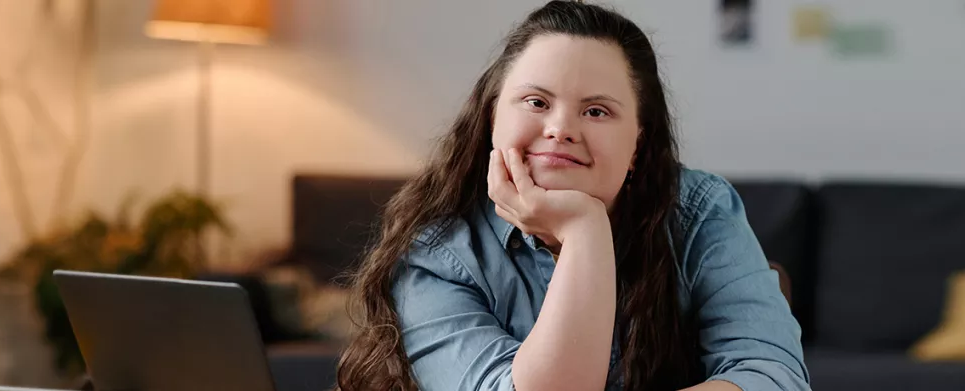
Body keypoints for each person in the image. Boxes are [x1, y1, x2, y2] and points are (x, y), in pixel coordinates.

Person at [335, 1, 809, 390]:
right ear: (491, 117)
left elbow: (773, 375)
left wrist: (583, 228)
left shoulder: (699, 210)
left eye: (597, 111)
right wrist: (584, 229)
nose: (561, 129)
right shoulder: (437, 253)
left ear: (637, 146)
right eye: (537, 102)